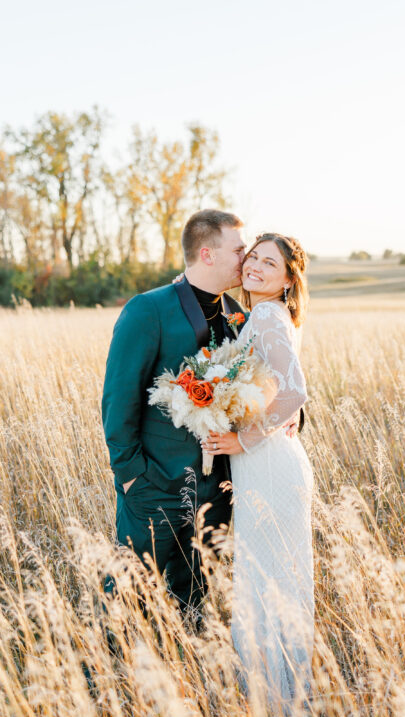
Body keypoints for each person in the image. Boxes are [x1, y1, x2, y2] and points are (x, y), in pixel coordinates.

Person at [101, 209, 247, 619]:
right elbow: (118, 397)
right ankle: (114, 675)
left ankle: (186, 673)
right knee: (128, 596)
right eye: (238, 249)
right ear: (207, 253)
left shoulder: (240, 316)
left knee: (195, 599)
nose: (246, 257)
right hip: (155, 485)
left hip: (217, 489)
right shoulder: (148, 309)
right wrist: (131, 474)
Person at [203, 233, 314, 711]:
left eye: (271, 263)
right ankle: (275, 695)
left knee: (268, 581)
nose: (256, 267)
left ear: (289, 280)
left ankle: (276, 699)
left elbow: (295, 392)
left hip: (268, 464)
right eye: (253, 257)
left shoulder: (267, 316)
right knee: (270, 579)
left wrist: (242, 438)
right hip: (267, 463)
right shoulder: (263, 316)